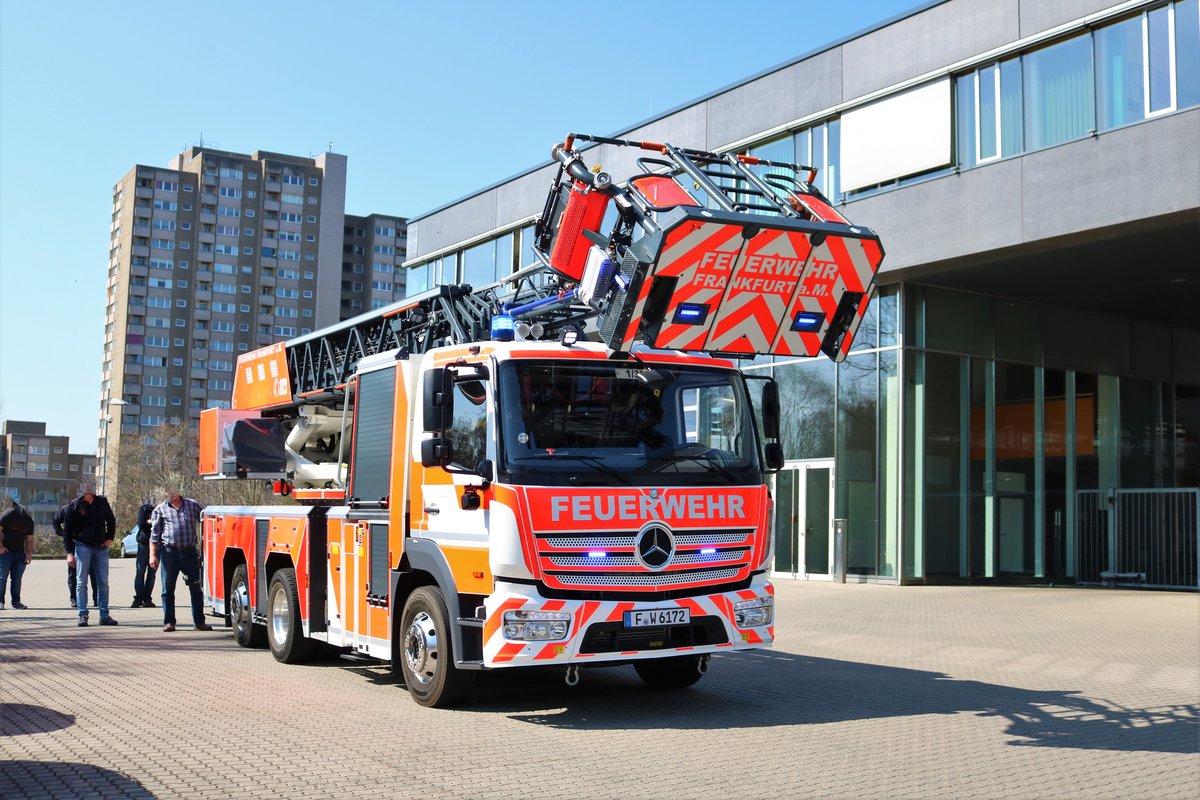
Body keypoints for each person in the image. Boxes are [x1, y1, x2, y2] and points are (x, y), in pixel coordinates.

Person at [149, 488, 212, 632]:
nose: (166, 494)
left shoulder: (192, 505)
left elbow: (206, 521)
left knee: (196, 587)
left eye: (168, 491)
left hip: (189, 552)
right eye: (164, 492)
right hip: (169, 553)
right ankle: (169, 622)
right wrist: (152, 555)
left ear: (176, 491)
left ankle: (199, 622)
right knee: (167, 589)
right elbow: (154, 535)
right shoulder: (160, 509)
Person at [61, 480, 118, 627]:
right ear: (80, 489)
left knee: (103, 583)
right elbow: (67, 532)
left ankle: (104, 615)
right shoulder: (73, 506)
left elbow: (111, 521)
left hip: (101, 548)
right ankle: (82, 614)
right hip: (82, 547)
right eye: (85, 486)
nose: (88, 489)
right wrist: (69, 553)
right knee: (81, 582)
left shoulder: (102, 502)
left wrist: (110, 538)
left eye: (90, 486)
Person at [53, 502, 98, 609]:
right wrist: (62, 533)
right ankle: (74, 599)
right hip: (73, 544)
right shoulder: (68, 509)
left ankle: (97, 599)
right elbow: (55, 521)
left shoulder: (93, 507)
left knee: (93, 573)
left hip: (90, 544)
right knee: (73, 573)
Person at [0, 498, 35, 610]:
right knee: (2, 578)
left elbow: (29, 539)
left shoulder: (29, 520)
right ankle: (0, 602)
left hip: (20, 554)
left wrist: (29, 554)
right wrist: (0, 546)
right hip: (5, 553)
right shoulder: (9, 514)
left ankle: (16, 602)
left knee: (17, 579)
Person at [130, 500, 157, 608]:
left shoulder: (161, 509)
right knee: (140, 572)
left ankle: (147, 598)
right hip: (143, 544)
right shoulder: (144, 509)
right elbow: (141, 524)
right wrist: (149, 522)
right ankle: (138, 598)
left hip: (156, 544)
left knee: (152, 574)